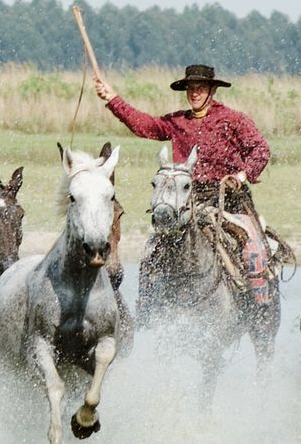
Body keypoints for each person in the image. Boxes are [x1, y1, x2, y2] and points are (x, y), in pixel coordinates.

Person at [94, 63, 276, 300]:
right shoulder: (176, 121)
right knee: (151, 253)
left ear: (212, 90)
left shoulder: (233, 119)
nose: (195, 93)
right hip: (185, 203)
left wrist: (241, 176)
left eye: (200, 88)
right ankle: (148, 308)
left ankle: (259, 308)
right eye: (191, 88)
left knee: (253, 251)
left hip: (227, 202)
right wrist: (112, 99)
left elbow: (260, 150)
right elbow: (145, 125)